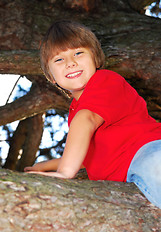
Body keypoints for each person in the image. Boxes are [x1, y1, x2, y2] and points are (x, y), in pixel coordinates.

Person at [24, 20, 161, 209]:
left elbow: (86, 120)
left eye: (78, 53)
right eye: (59, 59)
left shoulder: (105, 81)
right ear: (51, 77)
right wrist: (47, 165)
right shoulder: (76, 111)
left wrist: (64, 172)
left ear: (96, 59)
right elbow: (88, 156)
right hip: (125, 177)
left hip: (148, 152)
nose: (71, 63)